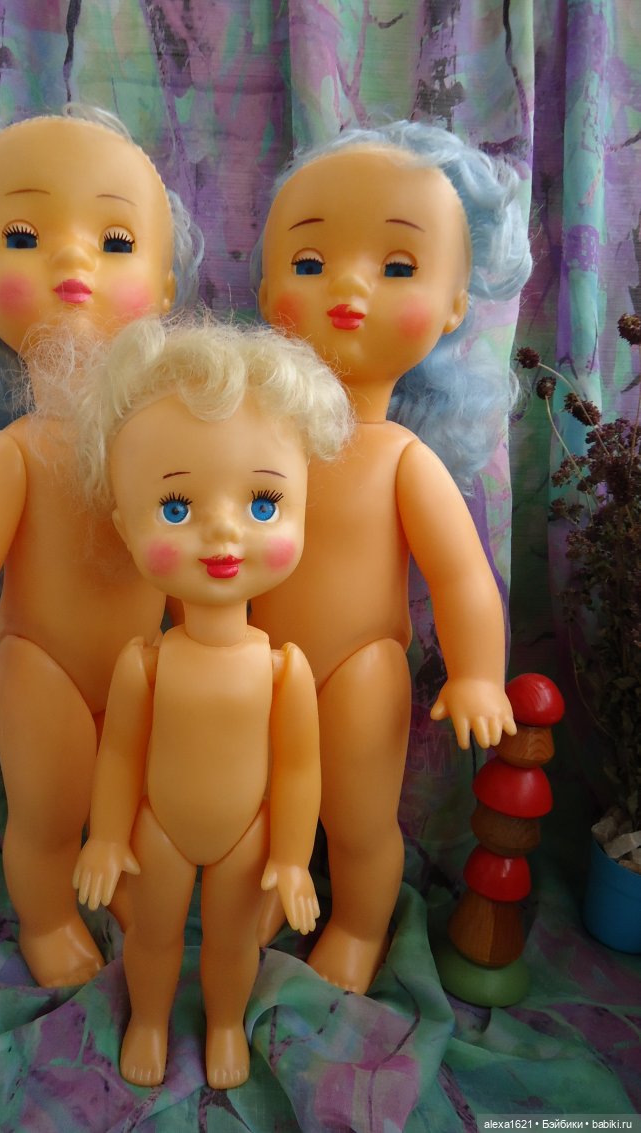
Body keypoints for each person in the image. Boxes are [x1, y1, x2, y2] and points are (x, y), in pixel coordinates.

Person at [0, 106, 202, 988]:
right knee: (51, 811)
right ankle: (50, 916)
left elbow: (202, 543)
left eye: (115, 241)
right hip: (42, 665)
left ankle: (124, 890)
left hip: (151, 664)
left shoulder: (167, 441)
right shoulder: (15, 454)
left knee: (143, 803)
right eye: (23, 237)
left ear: (163, 285)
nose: (72, 263)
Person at [251, 120, 532, 994]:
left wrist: (478, 674)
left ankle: (358, 924)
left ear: (452, 309)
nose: (349, 287)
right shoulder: (255, 439)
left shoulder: (402, 459)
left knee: (358, 817)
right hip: (250, 661)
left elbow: (461, 575)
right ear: (266, 291)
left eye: (398, 266)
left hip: (360, 667)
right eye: (310, 262)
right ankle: (261, 899)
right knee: (255, 799)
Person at [72, 317, 353, 1088]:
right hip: (158, 828)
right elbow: (119, 754)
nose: (224, 531)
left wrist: (291, 856)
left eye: (263, 503)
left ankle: (226, 1021)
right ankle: (151, 1018)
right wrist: (106, 836)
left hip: (246, 835)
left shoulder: (283, 670)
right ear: (125, 524)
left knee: (233, 942)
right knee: (153, 935)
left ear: (303, 505)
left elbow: (297, 770)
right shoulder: (146, 663)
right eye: (175, 507)